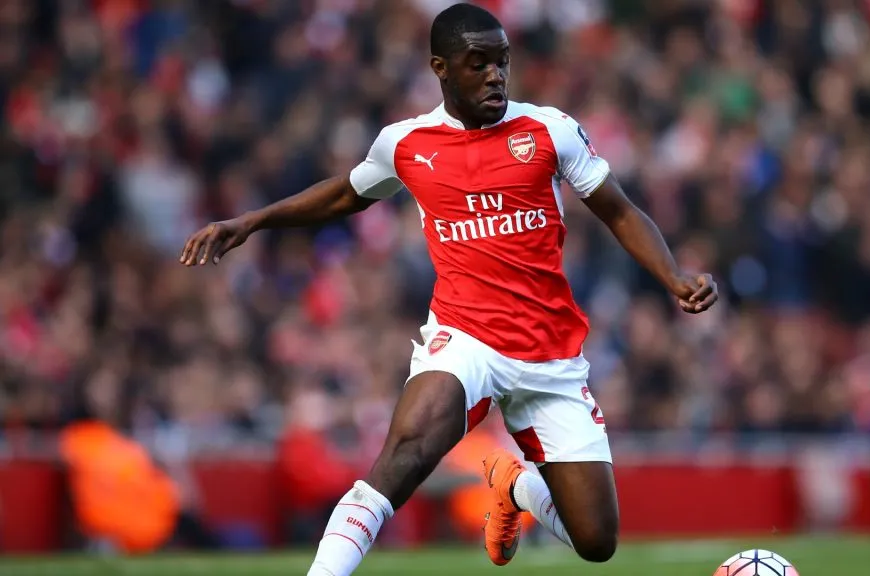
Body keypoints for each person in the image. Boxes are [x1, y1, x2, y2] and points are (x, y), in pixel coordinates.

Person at [180, 4, 718, 574]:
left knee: (596, 541)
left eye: (502, 62)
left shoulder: (550, 131)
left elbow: (620, 211)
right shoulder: (407, 144)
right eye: (478, 63)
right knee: (405, 453)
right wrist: (251, 222)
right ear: (441, 67)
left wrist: (673, 276)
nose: (495, 75)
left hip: (550, 353)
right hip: (465, 338)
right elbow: (345, 194)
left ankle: (514, 486)